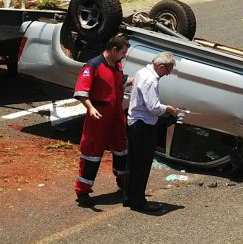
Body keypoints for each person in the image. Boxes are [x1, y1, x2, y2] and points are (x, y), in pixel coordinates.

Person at [73, 35, 131, 207]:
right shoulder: (93, 66)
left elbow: (121, 82)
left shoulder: (117, 65)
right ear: (113, 50)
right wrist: (90, 108)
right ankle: (83, 191)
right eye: (123, 52)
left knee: (122, 149)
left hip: (116, 116)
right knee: (91, 153)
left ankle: (123, 182)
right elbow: (81, 90)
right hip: (99, 116)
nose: (124, 56)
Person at [126, 52, 180, 212]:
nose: (168, 74)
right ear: (161, 66)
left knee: (133, 163)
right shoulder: (151, 80)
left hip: (134, 122)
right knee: (142, 165)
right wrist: (168, 109)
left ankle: (129, 196)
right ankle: (138, 201)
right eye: (168, 70)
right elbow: (154, 108)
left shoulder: (141, 72)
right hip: (143, 125)